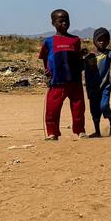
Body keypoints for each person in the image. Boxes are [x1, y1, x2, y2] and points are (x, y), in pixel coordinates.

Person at [38, 9, 86, 140]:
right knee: (52, 108)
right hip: (57, 80)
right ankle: (52, 133)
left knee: (78, 107)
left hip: (74, 80)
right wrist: (47, 71)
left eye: (67, 20)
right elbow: (45, 57)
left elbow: (77, 57)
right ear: (53, 23)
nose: (64, 23)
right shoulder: (49, 41)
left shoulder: (75, 40)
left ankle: (80, 130)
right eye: (61, 21)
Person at [84, 27, 111, 137]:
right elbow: (84, 69)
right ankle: (97, 131)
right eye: (99, 40)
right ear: (94, 41)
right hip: (92, 87)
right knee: (94, 109)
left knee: (104, 105)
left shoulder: (109, 54)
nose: (102, 42)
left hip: (105, 85)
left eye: (105, 40)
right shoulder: (89, 56)